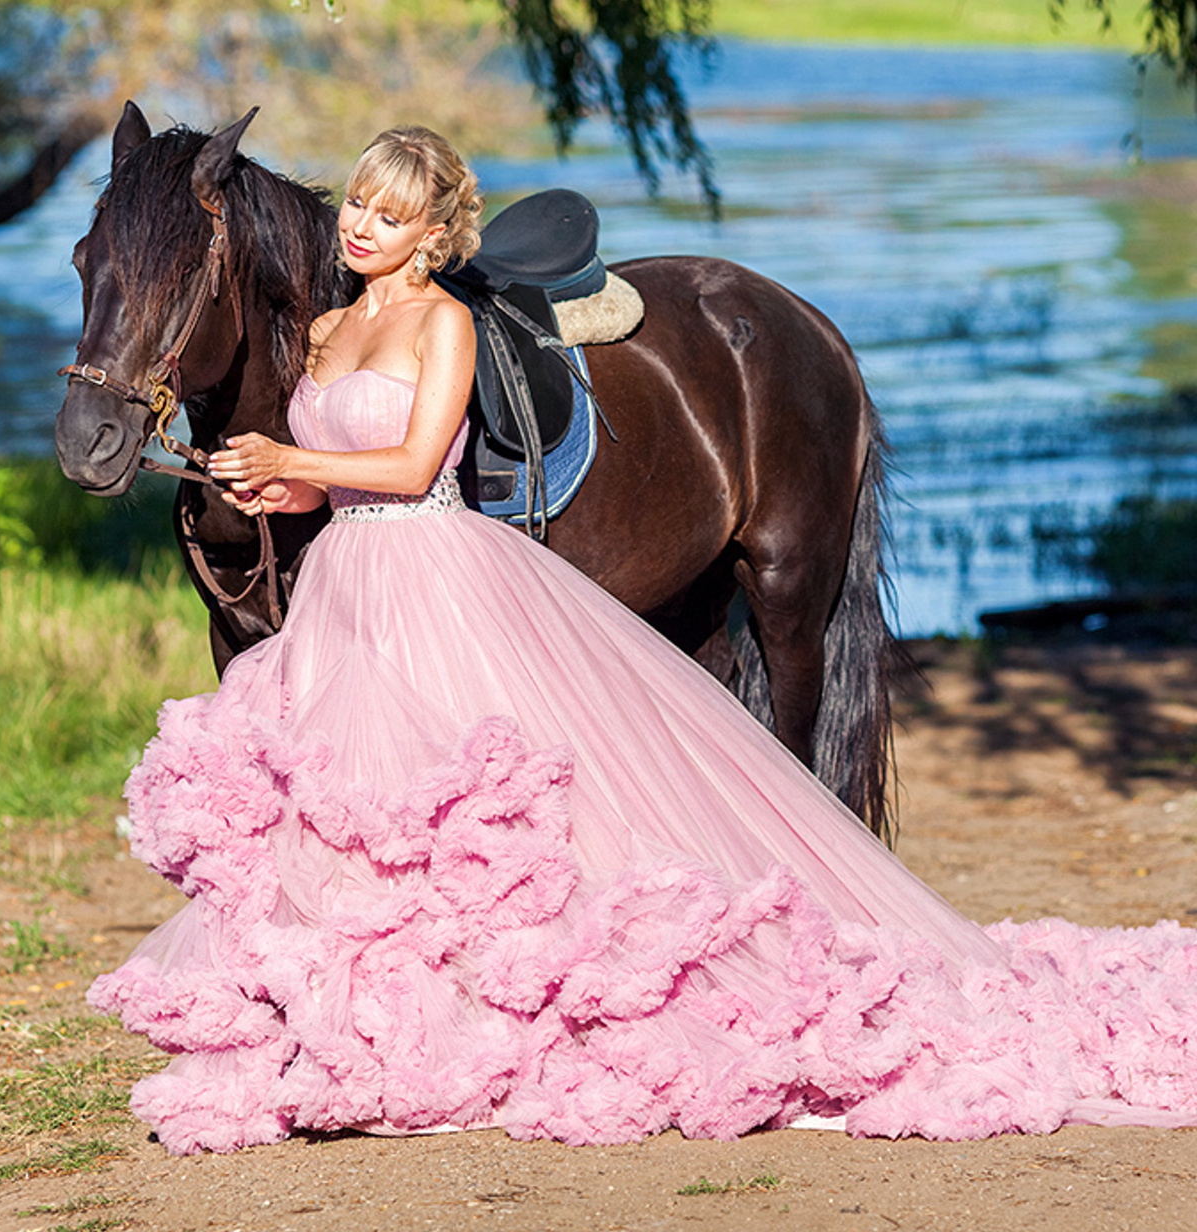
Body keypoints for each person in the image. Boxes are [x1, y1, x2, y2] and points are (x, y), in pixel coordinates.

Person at [88, 126, 1197, 1157]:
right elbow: (318, 474)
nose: (359, 225)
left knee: (471, 805)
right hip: (351, 579)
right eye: (357, 206)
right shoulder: (328, 330)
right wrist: (261, 478)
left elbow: (416, 465)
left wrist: (304, 466)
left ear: (433, 235)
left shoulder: (446, 322)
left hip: (428, 562)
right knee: (367, 808)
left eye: (386, 212)